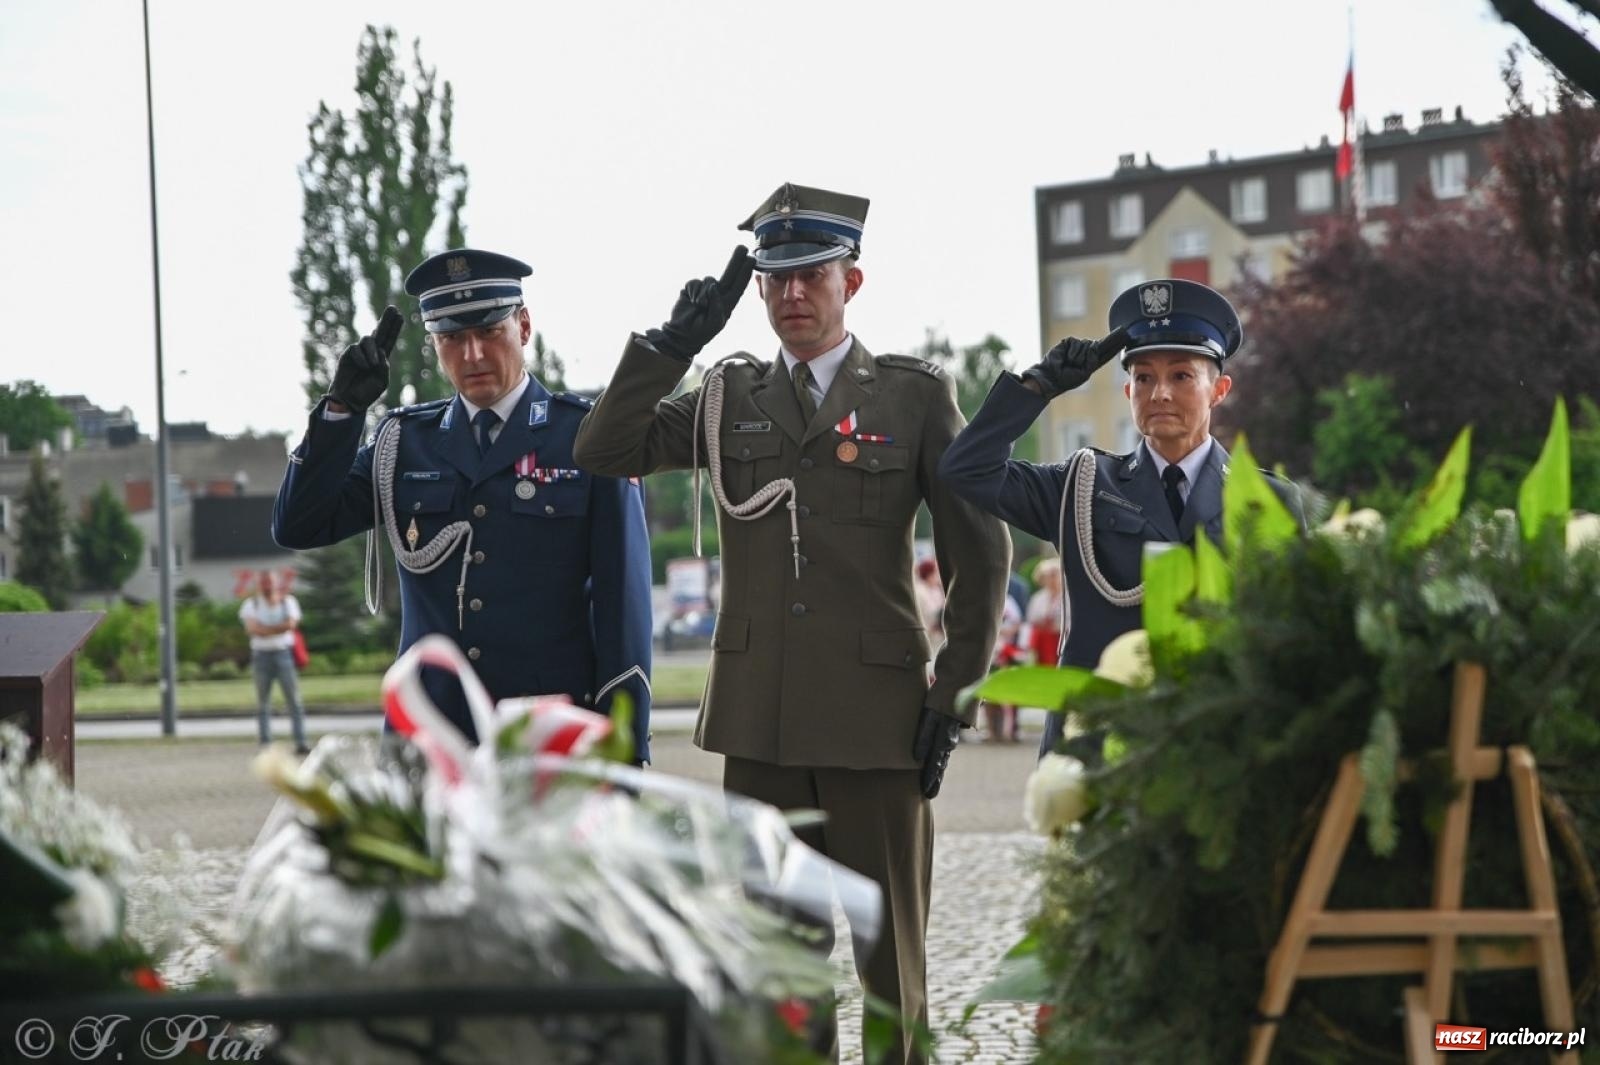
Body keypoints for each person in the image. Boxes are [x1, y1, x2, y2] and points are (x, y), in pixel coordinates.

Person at [572, 182, 1010, 1064]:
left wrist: (953, 694)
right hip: (762, 725)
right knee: (781, 969)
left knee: (893, 971)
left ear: (854, 279)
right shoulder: (727, 394)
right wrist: (673, 345)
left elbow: (981, 551)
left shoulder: (914, 398)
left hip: (881, 724)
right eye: (775, 278)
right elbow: (603, 449)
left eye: (811, 274)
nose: (792, 295)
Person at [271, 249, 653, 758]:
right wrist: (342, 412)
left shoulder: (587, 438)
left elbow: (623, 608)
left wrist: (622, 747)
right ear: (434, 345)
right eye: (452, 338)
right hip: (431, 732)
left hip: (549, 735)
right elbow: (299, 525)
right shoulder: (402, 442)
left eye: (489, 332)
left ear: (523, 326)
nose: (472, 355)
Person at [938, 278, 1304, 757]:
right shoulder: (1081, 485)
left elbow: (1295, 634)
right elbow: (965, 469)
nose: (1160, 394)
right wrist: (1038, 387)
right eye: (1145, 378)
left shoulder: (1268, 500)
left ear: (1219, 390)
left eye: (1181, 376)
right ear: (1128, 389)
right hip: (1099, 744)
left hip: (1222, 752)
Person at [238, 569, 308, 753]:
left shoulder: (288, 602)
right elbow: (253, 629)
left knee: (294, 700)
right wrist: (279, 628)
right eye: (263, 582)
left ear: (276, 583)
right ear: (259, 585)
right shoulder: (251, 604)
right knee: (263, 701)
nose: (267, 585)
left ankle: (301, 741)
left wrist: (265, 629)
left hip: (283, 654)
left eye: (270, 582)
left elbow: (291, 625)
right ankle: (266, 742)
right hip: (261, 655)